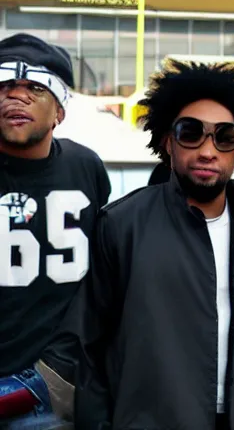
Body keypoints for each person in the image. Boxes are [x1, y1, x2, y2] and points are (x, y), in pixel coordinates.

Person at [73, 59, 234, 430]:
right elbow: (87, 347)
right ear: (168, 142)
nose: (207, 150)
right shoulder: (122, 225)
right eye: (191, 132)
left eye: (225, 136)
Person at [0, 33, 111, 427]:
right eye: (5, 86)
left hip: (51, 378)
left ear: (59, 111)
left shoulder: (85, 168)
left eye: (34, 88)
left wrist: (59, 370)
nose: (17, 97)